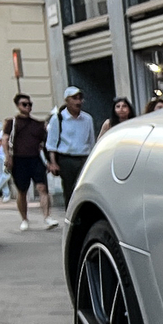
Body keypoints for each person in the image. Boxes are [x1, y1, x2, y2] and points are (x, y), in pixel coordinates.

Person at [47, 86, 96, 228]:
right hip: (67, 158)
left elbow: (91, 140)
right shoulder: (58, 118)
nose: (78, 101)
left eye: (80, 98)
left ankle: (84, 217)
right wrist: (53, 162)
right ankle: (72, 220)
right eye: (74, 98)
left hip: (83, 157)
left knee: (84, 188)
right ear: (67, 101)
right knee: (70, 189)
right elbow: (52, 143)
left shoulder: (87, 119)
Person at [6, 93, 50, 230]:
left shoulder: (38, 124)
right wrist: (8, 157)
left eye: (29, 104)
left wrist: (49, 160)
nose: (28, 107)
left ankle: (47, 216)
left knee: (42, 187)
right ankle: (24, 219)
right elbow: (5, 140)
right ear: (18, 106)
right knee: (22, 190)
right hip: (19, 159)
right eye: (24, 104)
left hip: (35, 158)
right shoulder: (12, 122)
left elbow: (45, 143)